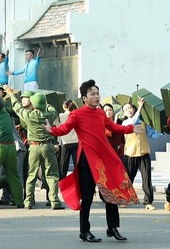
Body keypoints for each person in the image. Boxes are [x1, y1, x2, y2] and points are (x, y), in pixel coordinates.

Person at [46, 79, 137, 243]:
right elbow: (64, 129)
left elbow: (113, 127)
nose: (96, 96)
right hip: (87, 161)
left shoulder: (101, 113)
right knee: (87, 198)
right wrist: (51, 130)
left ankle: (112, 228)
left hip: (103, 160)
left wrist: (130, 128)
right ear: (84, 98)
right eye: (92, 94)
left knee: (111, 194)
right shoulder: (77, 114)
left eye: (97, 93)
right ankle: (84, 231)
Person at [9, 89, 63, 210]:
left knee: (31, 175)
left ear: (34, 105)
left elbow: (17, 107)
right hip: (48, 146)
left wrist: (11, 94)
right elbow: (53, 109)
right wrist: (44, 102)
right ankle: (54, 200)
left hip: (33, 147)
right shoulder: (50, 114)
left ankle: (29, 201)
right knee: (52, 175)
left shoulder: (28, 116)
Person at [121, 99, 162, 211]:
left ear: (133, 109)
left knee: (147, 178)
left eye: (130, 108)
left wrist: (163, 129)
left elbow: (153, 134)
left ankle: (148, 202)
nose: (128, 110)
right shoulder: (125, 123)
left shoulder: (143, 123)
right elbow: (133, 122)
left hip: (144, 153)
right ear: (124, 113)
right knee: (129, 178)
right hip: (130, 154)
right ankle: (125, 198)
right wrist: (140, 107)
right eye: (126, 109)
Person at [58, 100, 79, 178]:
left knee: (63, 165)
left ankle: (62, 182)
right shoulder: (77, 116)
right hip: (76, 142)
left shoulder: (61, 116)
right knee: (77, 164)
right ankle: (79, 181)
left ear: (64, 106)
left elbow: (56, 125)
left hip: (65, 143)